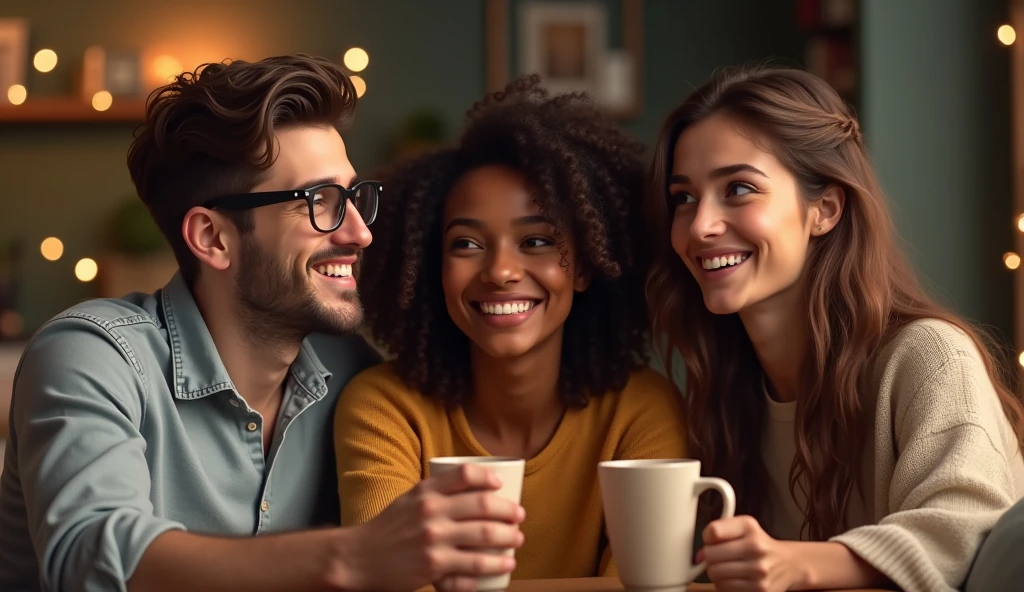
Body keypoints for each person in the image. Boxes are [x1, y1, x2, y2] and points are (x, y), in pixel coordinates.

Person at [0, 54, 525, 592]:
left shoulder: (358, 381)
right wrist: (351, 558)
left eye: (352, 198)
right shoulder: (91, 355)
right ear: (213, 238)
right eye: (320, 202)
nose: (358, 234)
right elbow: (91, 556)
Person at [643, 65, 1024, 592]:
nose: (700, 225)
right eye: (683, 197)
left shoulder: (930, 357)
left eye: (738, 189)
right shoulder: (725, 386)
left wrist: (797, 564)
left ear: (824, 209)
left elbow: (970, 530)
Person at [333, 75, 688, 580]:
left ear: (584, 265)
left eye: (537, 241)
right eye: (467, 244)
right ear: (433, 268)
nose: (500, 271)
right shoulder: (386, 409)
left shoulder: (642, 412)